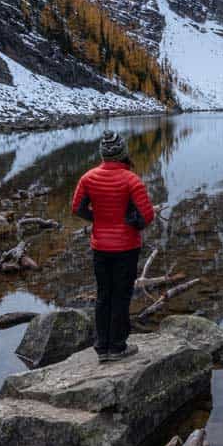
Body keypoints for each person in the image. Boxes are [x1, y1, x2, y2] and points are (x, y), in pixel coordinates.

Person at [71, 131, 155, 362]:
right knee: (121, 295)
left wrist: (97, 219)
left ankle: (102, 346)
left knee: (103, 295)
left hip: (100, 247)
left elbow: (76, 208)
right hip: (126, 247)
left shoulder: (88, 178)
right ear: (123, 153)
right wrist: (132, 222)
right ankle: (117, 347)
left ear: (103, 154)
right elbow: (147, 216)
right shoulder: (132, 180)